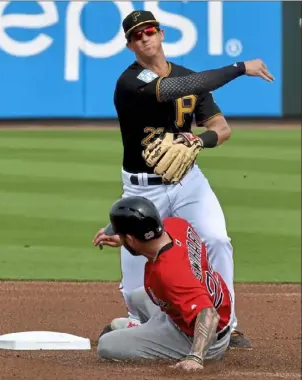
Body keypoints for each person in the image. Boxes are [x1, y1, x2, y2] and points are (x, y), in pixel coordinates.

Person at [95, 9, 274, 349]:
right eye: (136, 35)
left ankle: (227, 323)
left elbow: (221, 129)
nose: (144, 38)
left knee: (217, 240)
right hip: (142, 188)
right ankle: (141, 321)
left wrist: (198, 140)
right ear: (129, 45)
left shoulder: (192, 79)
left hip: (188, 181)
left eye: (149, 31)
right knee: (135, 275)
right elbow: (181, 86)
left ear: (161, 34)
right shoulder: (131, 83)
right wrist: (239, 68)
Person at [96, 196, 234, 372]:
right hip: (198, 307)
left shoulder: (170, 273)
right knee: (138, 296)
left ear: (131, 240)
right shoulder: (176, 225)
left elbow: (209, 314)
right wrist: (123, 239)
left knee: (107, 345)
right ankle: (149, 329)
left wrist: (195, 357)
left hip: (204, 337)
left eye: (122, 236)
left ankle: (156, 335)